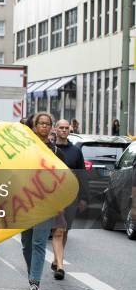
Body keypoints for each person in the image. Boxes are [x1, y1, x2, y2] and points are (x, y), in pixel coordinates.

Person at [21, 112, 66, 290]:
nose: (44, 127)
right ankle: (33, 272)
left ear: (51, 127)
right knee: (26, 243)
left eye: (48, 124)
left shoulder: (56, 152)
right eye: (41, 123)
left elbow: (63, 179)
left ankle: (35, 280)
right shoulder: (25, 148)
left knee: (39, 243)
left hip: (45, 203)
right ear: (34, 126)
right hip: (25, 202)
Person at [53, 119, 88, 280]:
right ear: (56, 129)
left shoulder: (76, 151)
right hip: (55, 196)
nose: (64, 130)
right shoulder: (50, 149)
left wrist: (83, 197)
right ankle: (60, 266)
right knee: (58, 230)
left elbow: (82, 175)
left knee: (65, 230)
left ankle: (56, 259)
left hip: (72, 196)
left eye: (67, 128)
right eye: (61, 128)